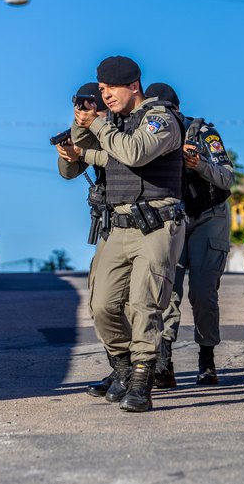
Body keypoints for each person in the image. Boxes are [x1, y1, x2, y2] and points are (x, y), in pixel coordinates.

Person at [74, 56, 186, 412]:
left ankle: (141, 380)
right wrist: (82, 121)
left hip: (157, 224)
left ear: (133, 86)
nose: (105, 96)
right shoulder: (115, 124)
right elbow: (84, 153)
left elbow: (135, 153)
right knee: (102, 304)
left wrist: (102, 126)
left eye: (111, 89)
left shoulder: (159, 118)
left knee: (143, 303)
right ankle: (121, 368)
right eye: (102, 90)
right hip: (118, 225)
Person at [144, 83, 235, 387]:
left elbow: (227, 177)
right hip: (173, 217)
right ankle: (163, 362)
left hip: (209, 215)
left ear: (177, 111)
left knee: (202, 290)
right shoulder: (147, 136)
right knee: (167, 292)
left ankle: (206, 359)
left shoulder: (201, 132)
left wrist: (199, 165)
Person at [55, 83, 122, 398]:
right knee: (100, 299)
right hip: (111, 222)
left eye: (93, 105)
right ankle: (120, 368)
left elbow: (124, 156)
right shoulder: (93, 129)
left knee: (134, 302)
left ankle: (146, 369)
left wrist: (91, 132)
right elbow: (68, 171)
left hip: (144, 222)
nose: (88, 109)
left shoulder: (125, 125)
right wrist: (73, 139)